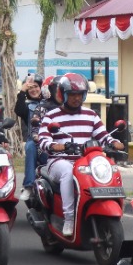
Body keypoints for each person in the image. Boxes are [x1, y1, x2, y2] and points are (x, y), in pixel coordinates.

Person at [37, 73, 115, 237]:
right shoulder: (51, 116)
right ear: (62, 94)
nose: (76, 98)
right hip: (59, 161)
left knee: (108, 169)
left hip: (85, 162)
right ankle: (69, 218)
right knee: (68, 171)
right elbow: (43, 141)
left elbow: (103, 135)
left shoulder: (91, 115)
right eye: (72, 95)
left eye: (79, 95)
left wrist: (113, 142)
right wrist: (58, 146)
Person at [13, 74, 47, 193]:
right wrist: (22, 91)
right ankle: (28, 185)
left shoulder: (49, 103)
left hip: (51, 139)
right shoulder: (28, 105)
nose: (33, 90)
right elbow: (18, 110)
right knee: (30, 146)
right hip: (34, 139)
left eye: (36, 86)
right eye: (30, 88)